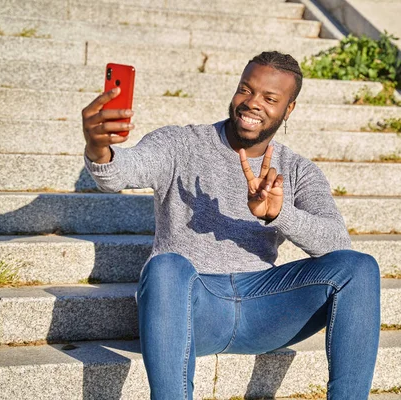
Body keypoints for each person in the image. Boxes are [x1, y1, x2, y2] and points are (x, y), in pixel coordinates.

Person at [82, 51, 380, 400]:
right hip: (193, 306)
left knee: (360, 267)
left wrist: (279, 213)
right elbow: (122, 171)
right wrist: (99, 149)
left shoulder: (298, 170)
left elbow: (336, 244)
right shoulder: (181, 143)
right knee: (164, 267)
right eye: (246, 89)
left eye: (270, 98)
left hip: (266, 309)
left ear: (289, 109)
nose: (253, 103)